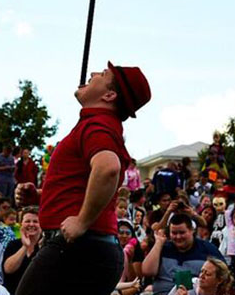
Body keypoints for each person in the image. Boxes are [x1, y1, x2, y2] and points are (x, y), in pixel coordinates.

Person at [15, 61, 151, 295]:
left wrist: (82, 221)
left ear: (109, 95)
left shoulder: (98, 125)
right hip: (90, 248)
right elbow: (84, 186)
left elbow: (108, 168)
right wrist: (40, 197)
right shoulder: (99, 125)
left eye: (103, 74)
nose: (94, 73)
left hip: (79, 247)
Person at [142, 213, 225, 295]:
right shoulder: (162, 247)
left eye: (182, 233)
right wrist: (159, 243)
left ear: (192, 230)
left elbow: (224, 274)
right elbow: (147, 271)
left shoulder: (208, 249)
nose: (178, 237)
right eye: (174, 233)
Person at [3, 207, 42, 295]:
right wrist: (25, 247)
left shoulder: (46, 246)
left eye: (35, 221)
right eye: (27, 221)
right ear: (21, 224)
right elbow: (8, 269)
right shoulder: (13, 245)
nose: (31, 224)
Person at [167, 257, 233, 295]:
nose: (201, 276)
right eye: (201, 271)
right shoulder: (186, 284)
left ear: (219, 280)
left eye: (207, 274)